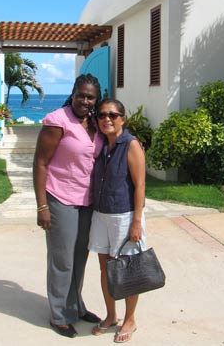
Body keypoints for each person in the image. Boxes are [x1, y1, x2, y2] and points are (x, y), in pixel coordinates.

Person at [33, 73, 104, 338]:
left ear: (96, 100)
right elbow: (40, 163)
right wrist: (42, 207)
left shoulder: (94, 123)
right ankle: (59, 315)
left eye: (90, 97)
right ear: (73, 93)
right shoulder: (57, 121)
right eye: (81, 95)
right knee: (62, 260)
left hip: (87, 201)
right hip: (60, 197)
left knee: (79, 258)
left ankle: (76, 306)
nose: (85, 101)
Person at [88, 98, 146, 344]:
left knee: (127, 270)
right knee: (105, 268)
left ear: (123, 118)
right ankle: (111, 315)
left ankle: (129, 318)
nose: (107, 119)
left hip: (124, 215)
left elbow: (140, 184)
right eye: (102, 115)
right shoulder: (100, 143)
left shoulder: (130, 144)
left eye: (113, 114)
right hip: (100, 214)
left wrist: (136, 221)